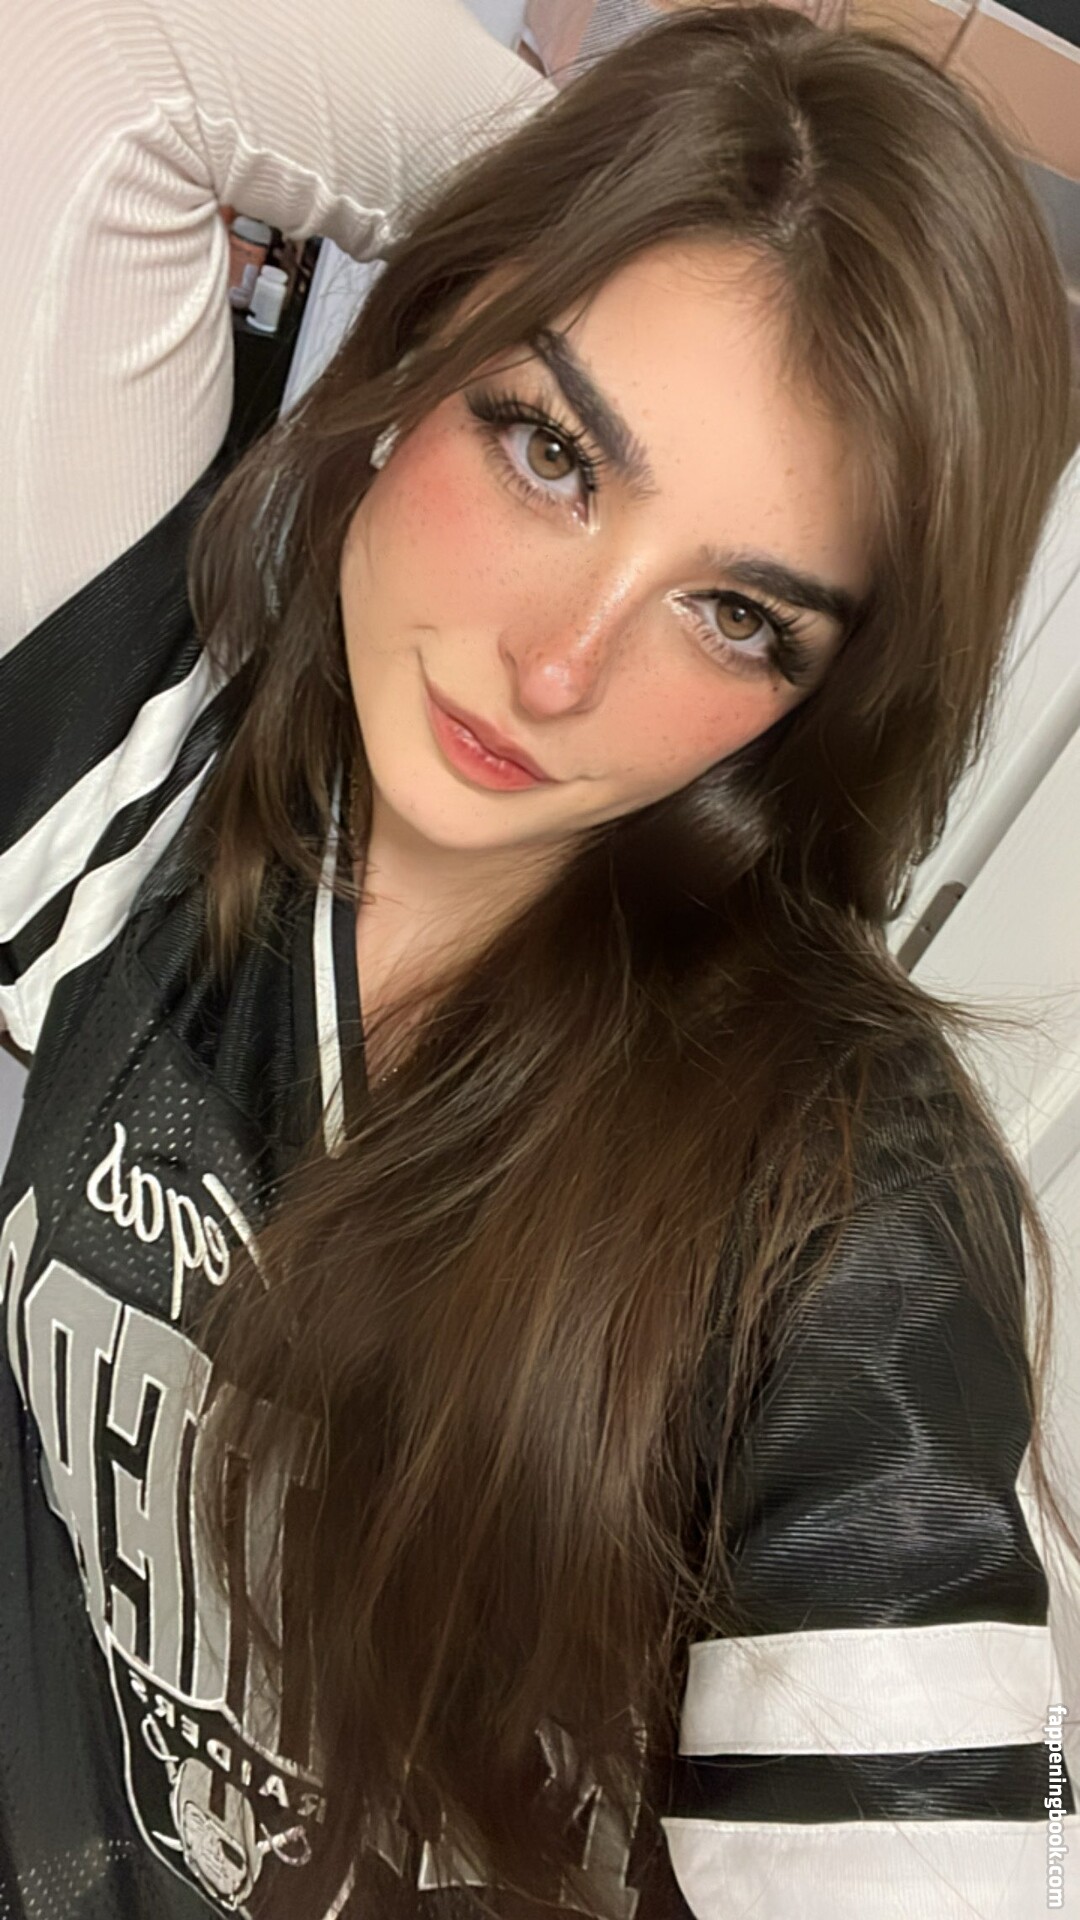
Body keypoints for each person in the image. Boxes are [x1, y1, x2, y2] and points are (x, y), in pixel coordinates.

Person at [0, 2, 1077, 1917]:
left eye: (736, 613)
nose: (561, 667)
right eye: (552, 449)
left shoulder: (834, 1208)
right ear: (430, 343)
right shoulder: (142, 761)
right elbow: (109, 63)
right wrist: (622, 185)